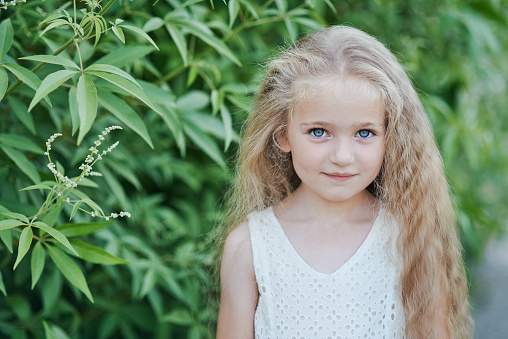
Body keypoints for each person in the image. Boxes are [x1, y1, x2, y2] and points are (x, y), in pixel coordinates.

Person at [216, 25, 473, 339]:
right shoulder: (249, 246)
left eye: (364, 133)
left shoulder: (410, 236)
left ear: (389, 138)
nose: (341, 156)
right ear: (282, 134)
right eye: (318, 132)